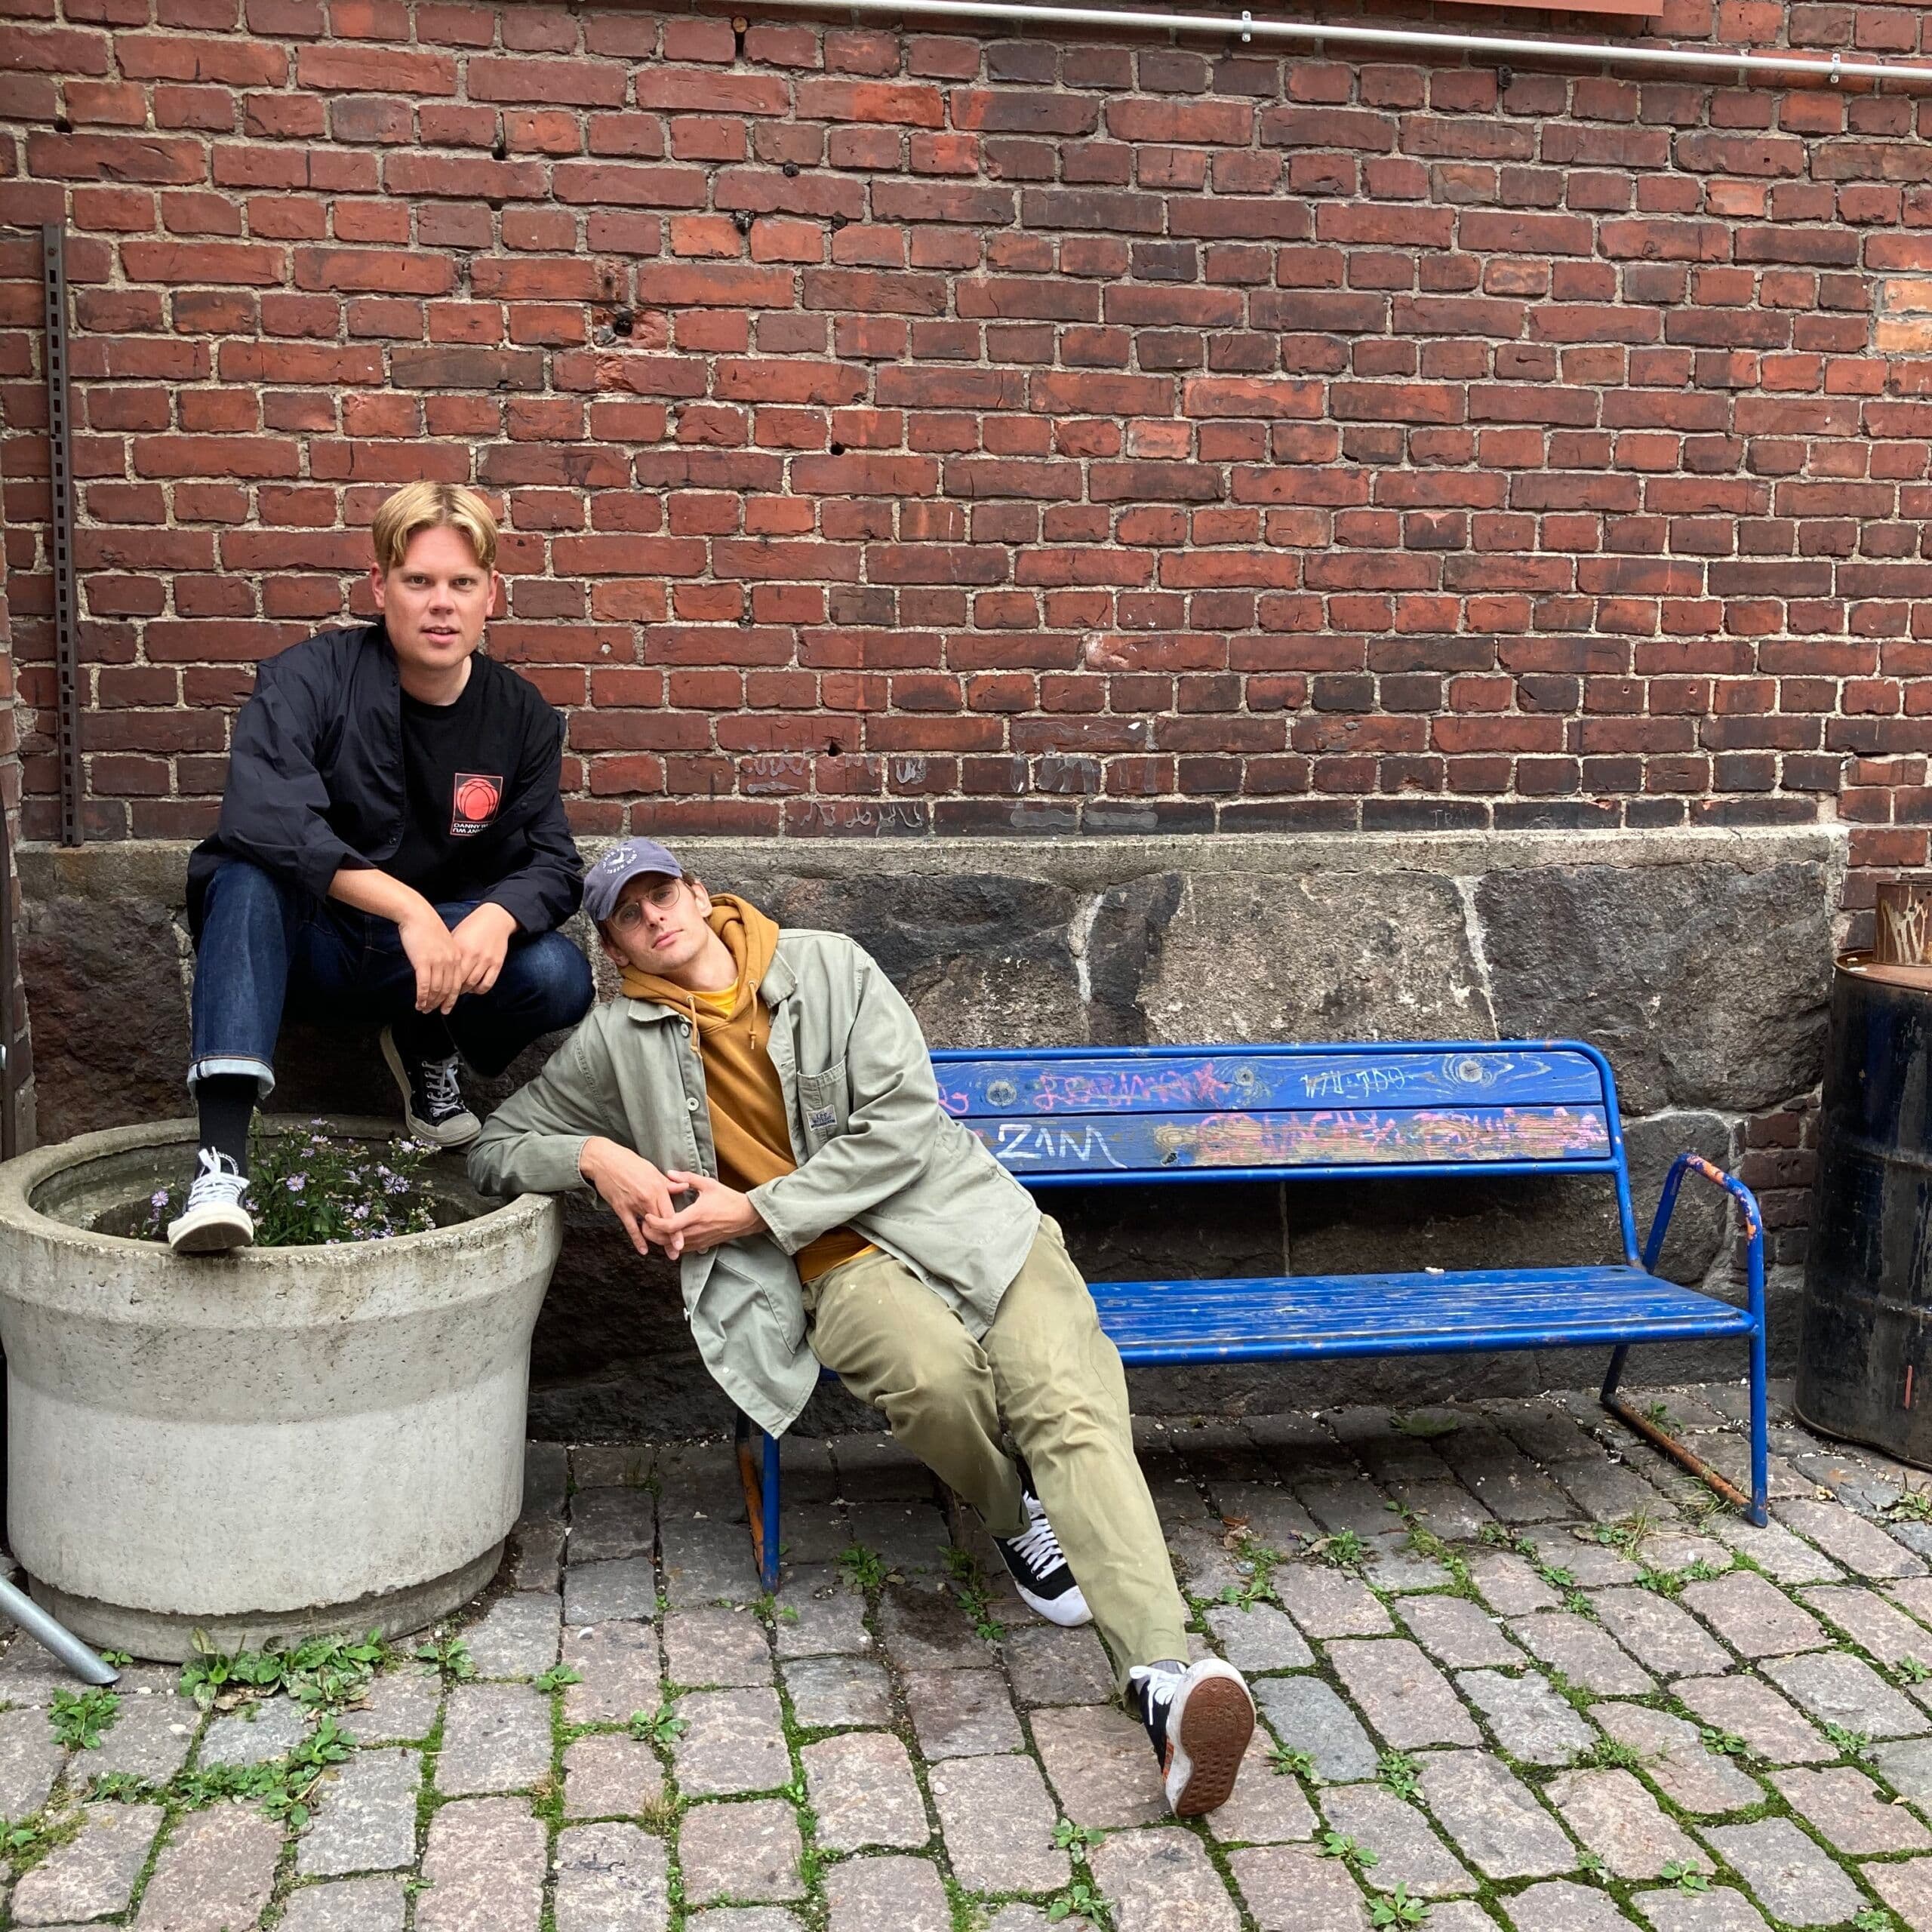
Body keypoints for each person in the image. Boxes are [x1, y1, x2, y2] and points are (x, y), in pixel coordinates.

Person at [468, 838, 1257, 1816]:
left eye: (662, 893)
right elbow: (496, 1147)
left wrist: (754, 1209)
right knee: (934, 1382)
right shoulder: (614, 1043)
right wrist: (596, 1156)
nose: (654, 917)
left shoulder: (830, 967)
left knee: (1067, 1403)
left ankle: (1163, 1679)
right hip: (834, 1265)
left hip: (971, 1225)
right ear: (614, 946)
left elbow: (904, 1125)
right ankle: (1015, 1517)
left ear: (700, 894)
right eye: (628, 914)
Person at [171, 482, 593, 1255]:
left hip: (422, 962)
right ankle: (220, 1168)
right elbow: (264, 818)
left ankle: (427, 1039)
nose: (441, 604)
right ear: (380, 586)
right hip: (311, 942)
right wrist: (407, 907)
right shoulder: (307, 677)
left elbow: (553, 860)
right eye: (418, 580)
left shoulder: (521, 715)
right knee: (243, 877)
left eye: (462, 582)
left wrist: (496, 916)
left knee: (557, 973)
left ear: (491, 594)